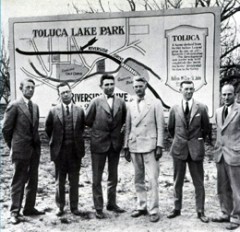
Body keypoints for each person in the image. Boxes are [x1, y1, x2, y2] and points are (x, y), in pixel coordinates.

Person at [2, 78, 45, 224]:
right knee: (18, 181)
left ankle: (29, 208)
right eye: (28, 87)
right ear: (21, 89)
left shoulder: (35, 106)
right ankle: (14, 211)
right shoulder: (14, 106)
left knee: (33, 180)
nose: (31, 90)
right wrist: (14, 146)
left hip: (34, 150)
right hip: (20, 150)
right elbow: (6, 129)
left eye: (33, 87)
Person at [167, 80, 210, 223]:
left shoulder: (202, 108)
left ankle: (200, 211)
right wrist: (180, 141)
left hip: (196, 149)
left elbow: (205, 129)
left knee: (199, 182)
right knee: (177, 181)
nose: (189, 91)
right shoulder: (174, 109)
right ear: (180, 90)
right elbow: (171, 129)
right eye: (186, 89)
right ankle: (176, 208)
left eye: (191, 89)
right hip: (179, 148)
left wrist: (196, 141)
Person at [124, 75, 165, 223]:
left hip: (150, 147)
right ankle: (141, 206)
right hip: (135, 145)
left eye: (140, 86)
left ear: (145, 86)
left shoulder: (155, 103)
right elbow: (128, 126)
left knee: (153, 179)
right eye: (135, 87)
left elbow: (161, 126)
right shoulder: (130, 103)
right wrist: (126, 146)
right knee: (138, 178)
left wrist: (159, 146)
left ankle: (154, 209)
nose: (138, 89)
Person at [85, 74, 126, 219]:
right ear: (101, 86)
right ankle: (98, 207)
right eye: (106, 84)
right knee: (97, 177)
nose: (109, 87)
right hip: (99, 144)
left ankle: (112, 203)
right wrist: (99, 131)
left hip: (115, 144)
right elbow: (88, 120)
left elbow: (124, 120)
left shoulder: (121, 102)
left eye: (111, 84)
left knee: (113, 176)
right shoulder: (95, 102)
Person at [45, 82, 85, 216]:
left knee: (74, 181)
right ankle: (60, 206)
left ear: (71, 92)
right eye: (62, 93)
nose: (66, 94)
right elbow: (48, 129)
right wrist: (57, 143)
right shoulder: (53, 111)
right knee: (59, 181)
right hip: (60, 153)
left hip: (75, 152)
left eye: (67, 91)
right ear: (59, 95)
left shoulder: (79, 110)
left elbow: (81, 129)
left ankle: (74, 207)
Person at [212, 83, 240, 230]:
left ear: (234, 94)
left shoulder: (239, 110)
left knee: (236, 188)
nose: (226, 97)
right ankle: (225, 213)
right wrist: (216, 149)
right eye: (223, 94)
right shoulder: (218, 111)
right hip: (221, 154)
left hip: (235, 154)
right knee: (222, 187)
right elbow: (219, 132)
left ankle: (236, 217)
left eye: (229, 94)